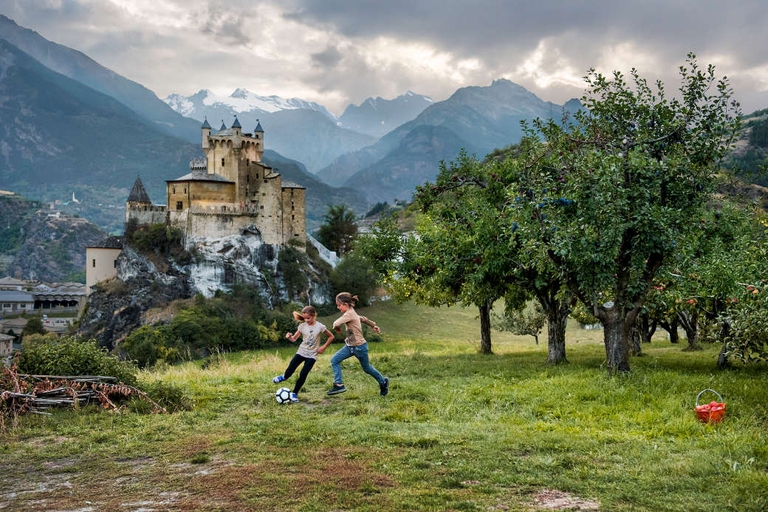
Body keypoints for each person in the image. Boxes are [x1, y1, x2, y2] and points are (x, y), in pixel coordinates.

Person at [326, 292, 389, 397]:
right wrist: (373, 325)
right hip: (349, 347)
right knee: (334, 360)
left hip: (359, 347)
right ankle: (339, 384)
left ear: (346, 305)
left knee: (367, 368)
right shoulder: (352, 313)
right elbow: (362, 318)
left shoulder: (349, 314)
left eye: (339, 305)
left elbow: (336, 323)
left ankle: (383, 382)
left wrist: (336, 328)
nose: (338, 307)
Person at [273, 306, 334, 402]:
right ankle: (284, 377)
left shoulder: (320, 327)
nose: (306, 320)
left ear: (314, 316)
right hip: (301, 352)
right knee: (291, 368)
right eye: (304, 318)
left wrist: (323, 347)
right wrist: (289, 337)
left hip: (312, 355)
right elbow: (294, 339)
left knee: (303, 374)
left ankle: (294, 394)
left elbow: (331, 336)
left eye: (308, 318)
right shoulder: (302, 326)